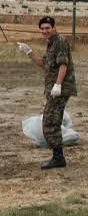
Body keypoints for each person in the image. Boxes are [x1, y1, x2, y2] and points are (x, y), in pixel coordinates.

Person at [17, 16, 77, 169]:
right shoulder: (51, 44)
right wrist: (29, 51)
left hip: (60, 90)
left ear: (53, 28)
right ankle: (58, 157)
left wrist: (58, 84)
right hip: (54, 90)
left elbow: (63, 64)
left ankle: (58, 158)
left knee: (50, 121)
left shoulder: (60, 42)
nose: (45, 31)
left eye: (47, 28)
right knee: (51, 121)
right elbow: (44, 64)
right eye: (42, 29)